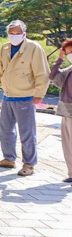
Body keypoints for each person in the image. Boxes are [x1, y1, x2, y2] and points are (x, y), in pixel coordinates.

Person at [0, 20, 50, 176]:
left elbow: (42, 73)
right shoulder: (4, 48)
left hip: (25, 96)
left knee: (27, 133)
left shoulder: (34, 48)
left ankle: (29, 164)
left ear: (24, 33)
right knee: (5, 131)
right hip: (8, 96)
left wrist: (39, 94)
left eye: (17, 33)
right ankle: (8, 159)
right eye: (11, 33)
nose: (14, 36)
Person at [50, 38, 72, 182]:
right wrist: (59, 59)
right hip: (66, 109)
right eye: (68, 53)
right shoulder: (69, 70)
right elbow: (53, 76)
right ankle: (71, 173)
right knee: (67, 142)